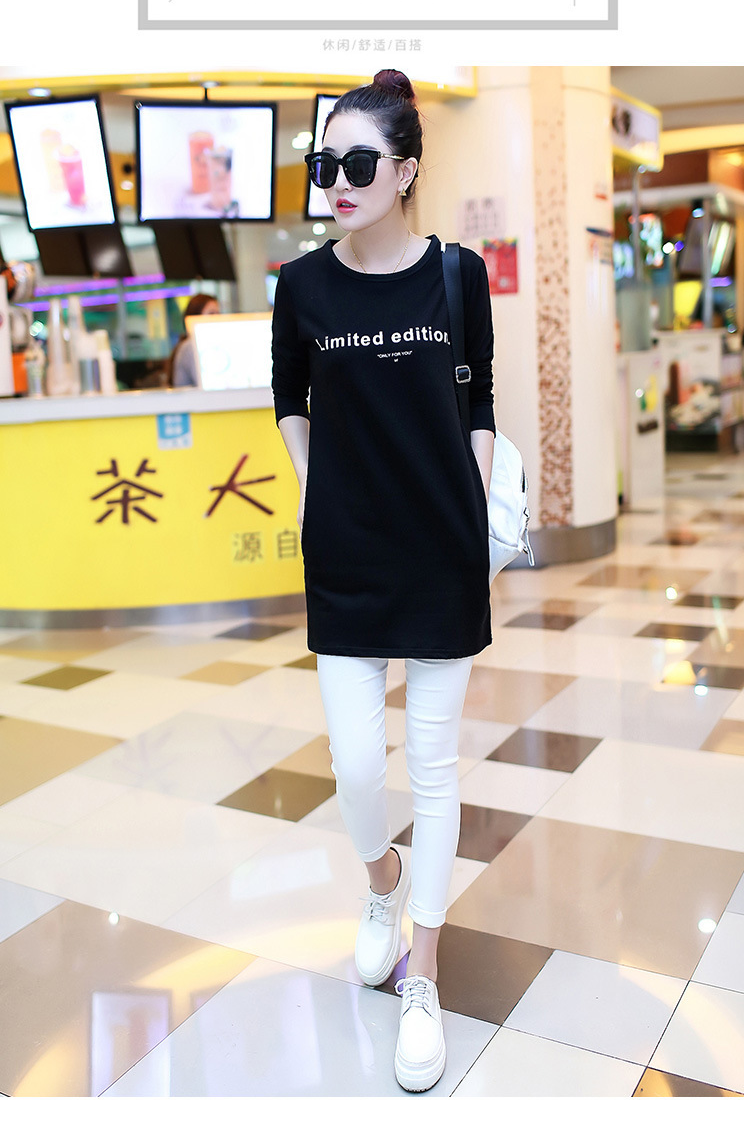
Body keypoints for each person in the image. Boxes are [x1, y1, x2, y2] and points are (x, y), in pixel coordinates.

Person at [271, 69, 495, 1093]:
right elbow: (290, 397)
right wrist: (313, 485)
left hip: (440, 552)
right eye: (325, 163)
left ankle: (424, 977)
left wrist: (475, 504)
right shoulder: (302, 286)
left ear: (405, 172)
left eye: (358, 164)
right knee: (358, 767)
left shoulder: (457, 274)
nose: (337, 182)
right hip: (348, 556)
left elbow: (478, 401)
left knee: (435, 771)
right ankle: (382, 879)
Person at [168, 293, 220, 386]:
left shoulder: (208, 345)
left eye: (218, 314)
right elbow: (208, 383)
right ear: (196, 316)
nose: (217, 318)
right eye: (211, 314)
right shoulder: (190, 346)